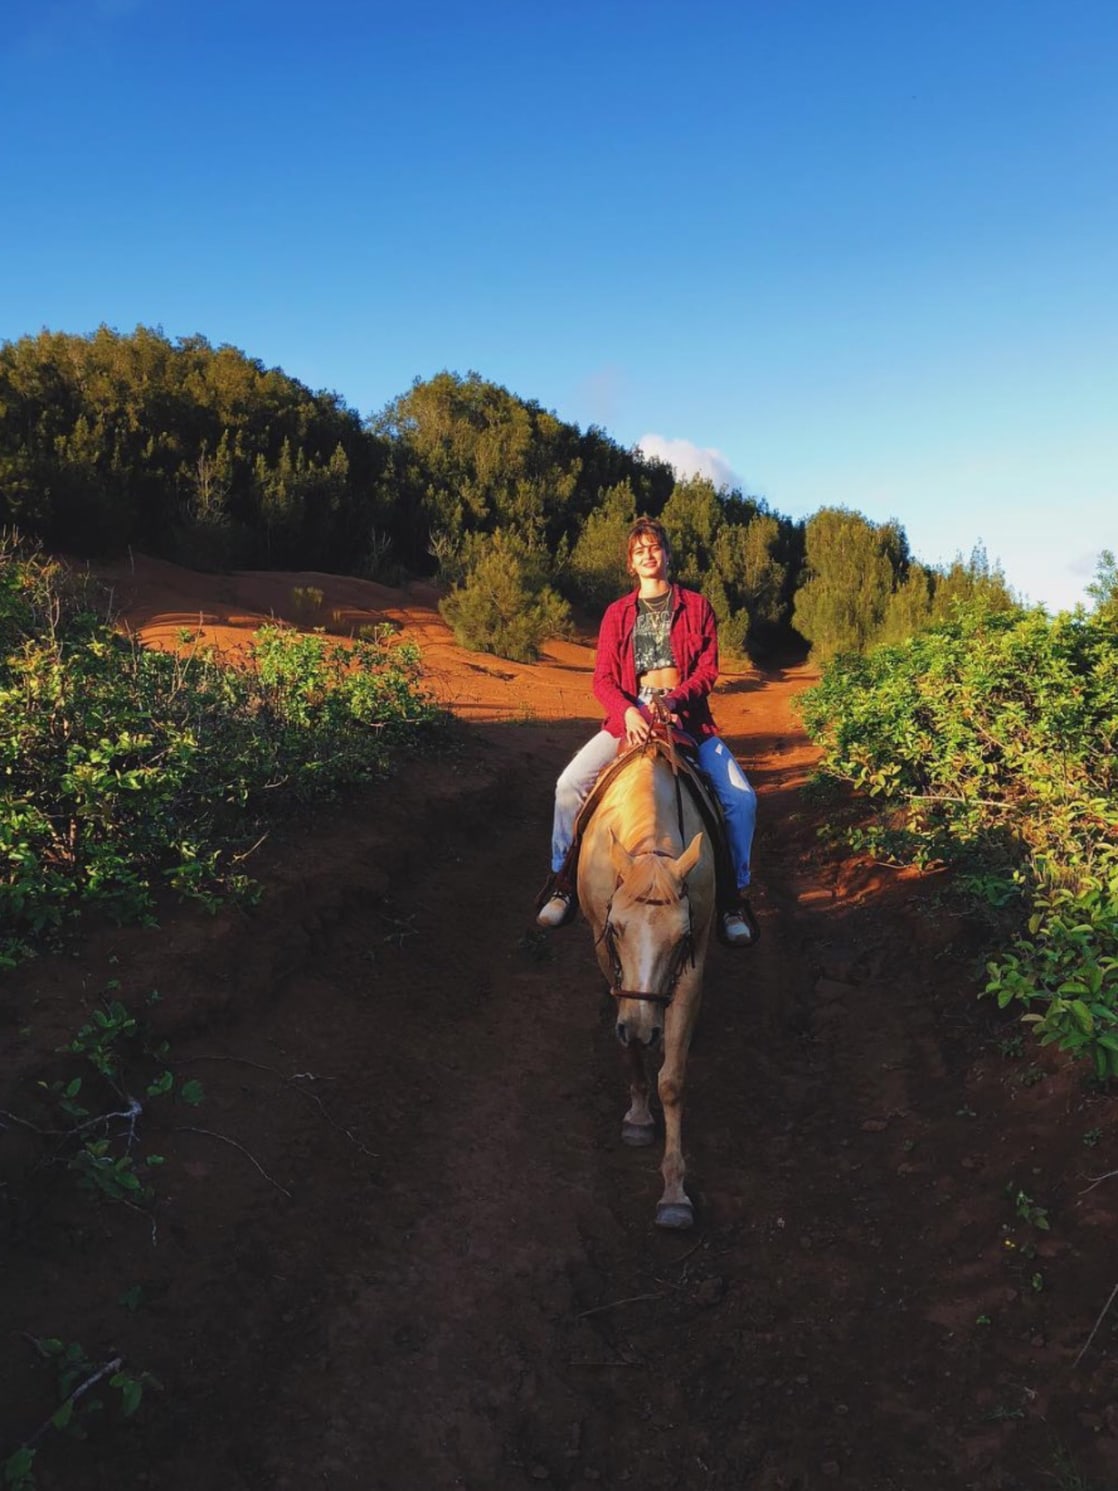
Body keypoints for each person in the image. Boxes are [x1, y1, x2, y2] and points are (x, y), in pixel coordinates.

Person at [537, 517, 758, 946]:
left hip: (686, 714)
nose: (648, 556)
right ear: (630, 564)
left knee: (741, 799)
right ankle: (563, 880)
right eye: (639, 551)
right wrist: (628, 712)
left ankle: (732, 896)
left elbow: (708, 671)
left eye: (654, 548)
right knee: (569, 786)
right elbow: (602, 679)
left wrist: (673, 702)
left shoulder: (696, 606)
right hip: (630, 713)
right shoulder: (617, 614)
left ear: (668, 555)